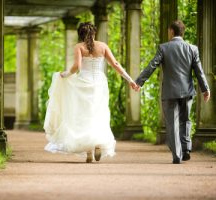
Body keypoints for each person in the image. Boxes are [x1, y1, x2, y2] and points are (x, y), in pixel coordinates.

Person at [43, 22, 137, 163]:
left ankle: (88, 151)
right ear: (94, 33)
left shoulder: (79, 47)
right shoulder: (103, 46)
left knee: (84, 114)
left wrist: (64, 75)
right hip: (99, 84)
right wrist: (130, 80)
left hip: (83, 84)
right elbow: (115, 64)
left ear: (80, 34)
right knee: (99, 113)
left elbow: (77, 67)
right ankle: (98, 144)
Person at [134, 20, 210, 164]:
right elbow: (199, 72)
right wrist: (205, 88)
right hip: (187, 91)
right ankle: (186, 148)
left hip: (169, 92)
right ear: (183, 32)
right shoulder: (192, 49)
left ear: (171, 31)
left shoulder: (163, 48)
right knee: (186, 120)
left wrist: (139, 82)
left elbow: (152, 66)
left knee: (172, 124)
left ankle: (177, 155)